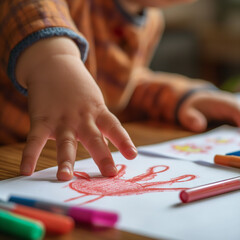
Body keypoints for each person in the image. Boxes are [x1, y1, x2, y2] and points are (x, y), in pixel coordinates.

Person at [0, 0, 239, 181]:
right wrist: (54, 57)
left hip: (58, 165)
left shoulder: (151, 21)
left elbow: (124, 87)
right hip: (11, 158)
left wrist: (180, 97)